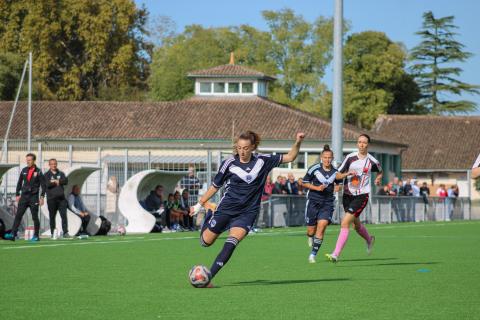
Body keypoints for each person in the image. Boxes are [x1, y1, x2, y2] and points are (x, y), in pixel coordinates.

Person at [190, 131, 304, 286]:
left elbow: (290, 157)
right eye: (239, 148)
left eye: (245, 148)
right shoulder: (229, 163)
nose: (242, 151)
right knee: (205, 242)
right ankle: (210, 212)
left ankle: (209, 277)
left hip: (247, 213)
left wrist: (298, 141)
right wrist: (200, 204)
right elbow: (215, 186)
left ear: (253, 147)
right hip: (226, 209)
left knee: (231, 243)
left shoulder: (263, 161)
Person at [326, 134, 382, 263]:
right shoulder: (350, 158)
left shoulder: (373, 161)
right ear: (357, 144)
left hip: (362, 195)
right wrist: (343, 178)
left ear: (368, 144)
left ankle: (335, 254)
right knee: (356, 225)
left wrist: (378, 178)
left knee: (345, 222)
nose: (361, 144)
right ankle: (369, 240)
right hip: (347, 195)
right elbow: (338, 174)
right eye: (359, 142)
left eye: (364, 142)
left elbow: (380, 170)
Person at [301, 144, 341, 263]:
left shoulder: (336, 172)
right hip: (313, 201)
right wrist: (316, 188)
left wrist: (338, 187)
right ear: (321, 158)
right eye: (325, 157)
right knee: (311, 231)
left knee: (322, 226)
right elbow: (304, 182)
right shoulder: (314, 168)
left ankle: (312, 255)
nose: (327, 160)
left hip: (327, 203)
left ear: (332, 158)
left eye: (330, 158)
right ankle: (309, 237)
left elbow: (339, 183)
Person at [4, 153, 46, 242]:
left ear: (34, 160)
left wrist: (42, 197)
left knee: (34, 217)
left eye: (29, 160)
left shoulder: (38, 171)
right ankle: (13, 234)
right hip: (24, 197)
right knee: (18, 215)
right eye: (27, 160)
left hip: (34, 198)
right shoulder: (24, 170)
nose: (28, 161)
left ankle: (36, 236)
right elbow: (19, 183)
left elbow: (44, 185)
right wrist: (17, 194)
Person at [44, 159, 69, 239]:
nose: (54, 165)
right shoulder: (47, 174)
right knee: (52, 217)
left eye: (55, 164)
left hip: (61, 199)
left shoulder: (61, 173)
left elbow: (65, 181)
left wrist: (58, 181)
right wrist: (56, 182)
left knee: (64, 216)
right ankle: (52, 233)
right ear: (49, 165)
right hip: (51, 199)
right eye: (52, 164)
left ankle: (65, 232)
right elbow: (47, 184)